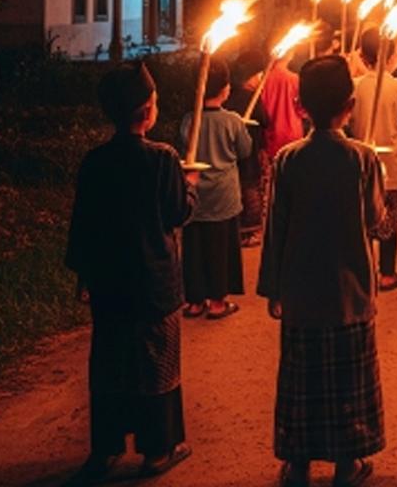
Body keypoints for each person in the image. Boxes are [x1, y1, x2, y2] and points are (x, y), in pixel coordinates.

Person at [258, 56, 388, 487]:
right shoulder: (362, 159)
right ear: (350, 104)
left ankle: (297, 464)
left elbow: (275, 226)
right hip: (349, 293)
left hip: (301, 293)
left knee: (303, 381)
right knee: (347, 382)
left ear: (300, 104)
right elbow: (375, 220)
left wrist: (273, 287)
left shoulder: (287, 160)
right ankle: (346, 464)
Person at [66, 61, 195, 482]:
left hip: (109, 284)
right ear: (147, 110)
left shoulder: (94, 161)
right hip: (154, 283)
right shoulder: (163, 159)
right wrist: (189, 184)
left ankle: (105, 449)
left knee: (109, 362)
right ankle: (158, 449)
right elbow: (177, 213)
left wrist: (84, 274)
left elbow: (82, 224)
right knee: (157, 363)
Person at [178, 59, 251, 320]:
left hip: (196, 193)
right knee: (221, 247)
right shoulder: (232, 121)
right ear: (225, 90)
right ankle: (218, 302)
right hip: (223, 195)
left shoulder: (189, 120)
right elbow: (245, 151)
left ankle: (195, 302)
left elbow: (186, 147)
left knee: (194, 248)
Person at [350, 27, 397, 292]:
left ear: (362, 56)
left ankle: (366, 273)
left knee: (365, 219)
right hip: (390, 165)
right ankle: (387, 274)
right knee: (389, 218)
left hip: (362, 162)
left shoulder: (354, 88)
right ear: (390, 56)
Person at [225, 50, 269, 247]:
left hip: (232, 152)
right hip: (249, 151)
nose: (260, 79)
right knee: (251, 187)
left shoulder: (230, 97)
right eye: (258, 75)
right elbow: (266, 120)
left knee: (239, 185)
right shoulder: (252, 97)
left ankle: (239, 228)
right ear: (250, 77)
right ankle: (251, 230)